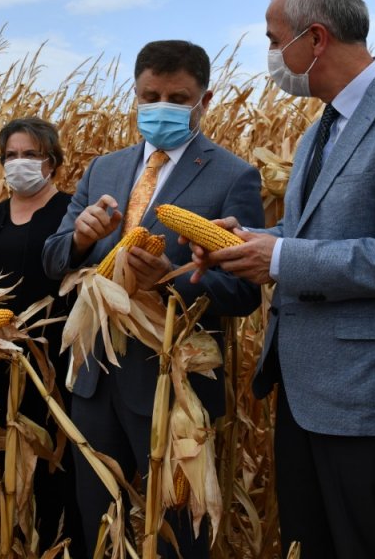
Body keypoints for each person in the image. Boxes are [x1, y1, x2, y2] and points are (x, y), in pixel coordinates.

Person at [191, 0, 375, 559]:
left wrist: (282, 257)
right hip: (308, 389)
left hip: (369, 398)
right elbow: (315, 232)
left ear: (314, 39)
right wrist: (251, 240)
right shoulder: (326, 124)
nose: (270, 55)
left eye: (273, 39)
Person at [42, 39, 264, 556]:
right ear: (135, 95)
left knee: (176, 532)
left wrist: (172, 277)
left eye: (177, 98)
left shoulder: (233, 176)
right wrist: (78, 238)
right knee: (98, 516)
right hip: (95, 376)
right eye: (150, 95)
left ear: (204, 101)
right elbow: (53, 259)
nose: (160, 106)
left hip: (174, 386)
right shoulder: (104, 169)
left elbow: (243, 291)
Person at [0, 116, 81, 548]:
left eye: (30, 155)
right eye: (11, 156)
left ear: (51, 162)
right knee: (10, 452)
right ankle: (18, 539)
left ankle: (58, 541)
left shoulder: (70, 212)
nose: (19, 164)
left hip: (54, 359)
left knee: (54, 459)